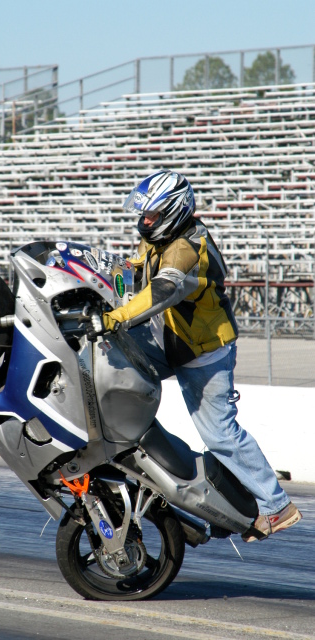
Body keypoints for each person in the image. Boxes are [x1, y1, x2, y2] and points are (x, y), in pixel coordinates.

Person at [103, 169, 302, 542]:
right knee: (112, 362)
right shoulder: (160, 238)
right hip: (174, 340)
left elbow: (162, 290)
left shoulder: (185, 248)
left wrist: (116, 317)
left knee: (220, 434)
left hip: (204, 353)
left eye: (150, 216)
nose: (143, 222)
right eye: (142, 215)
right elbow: (130, 271)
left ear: (173, 211)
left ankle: (277, 507)